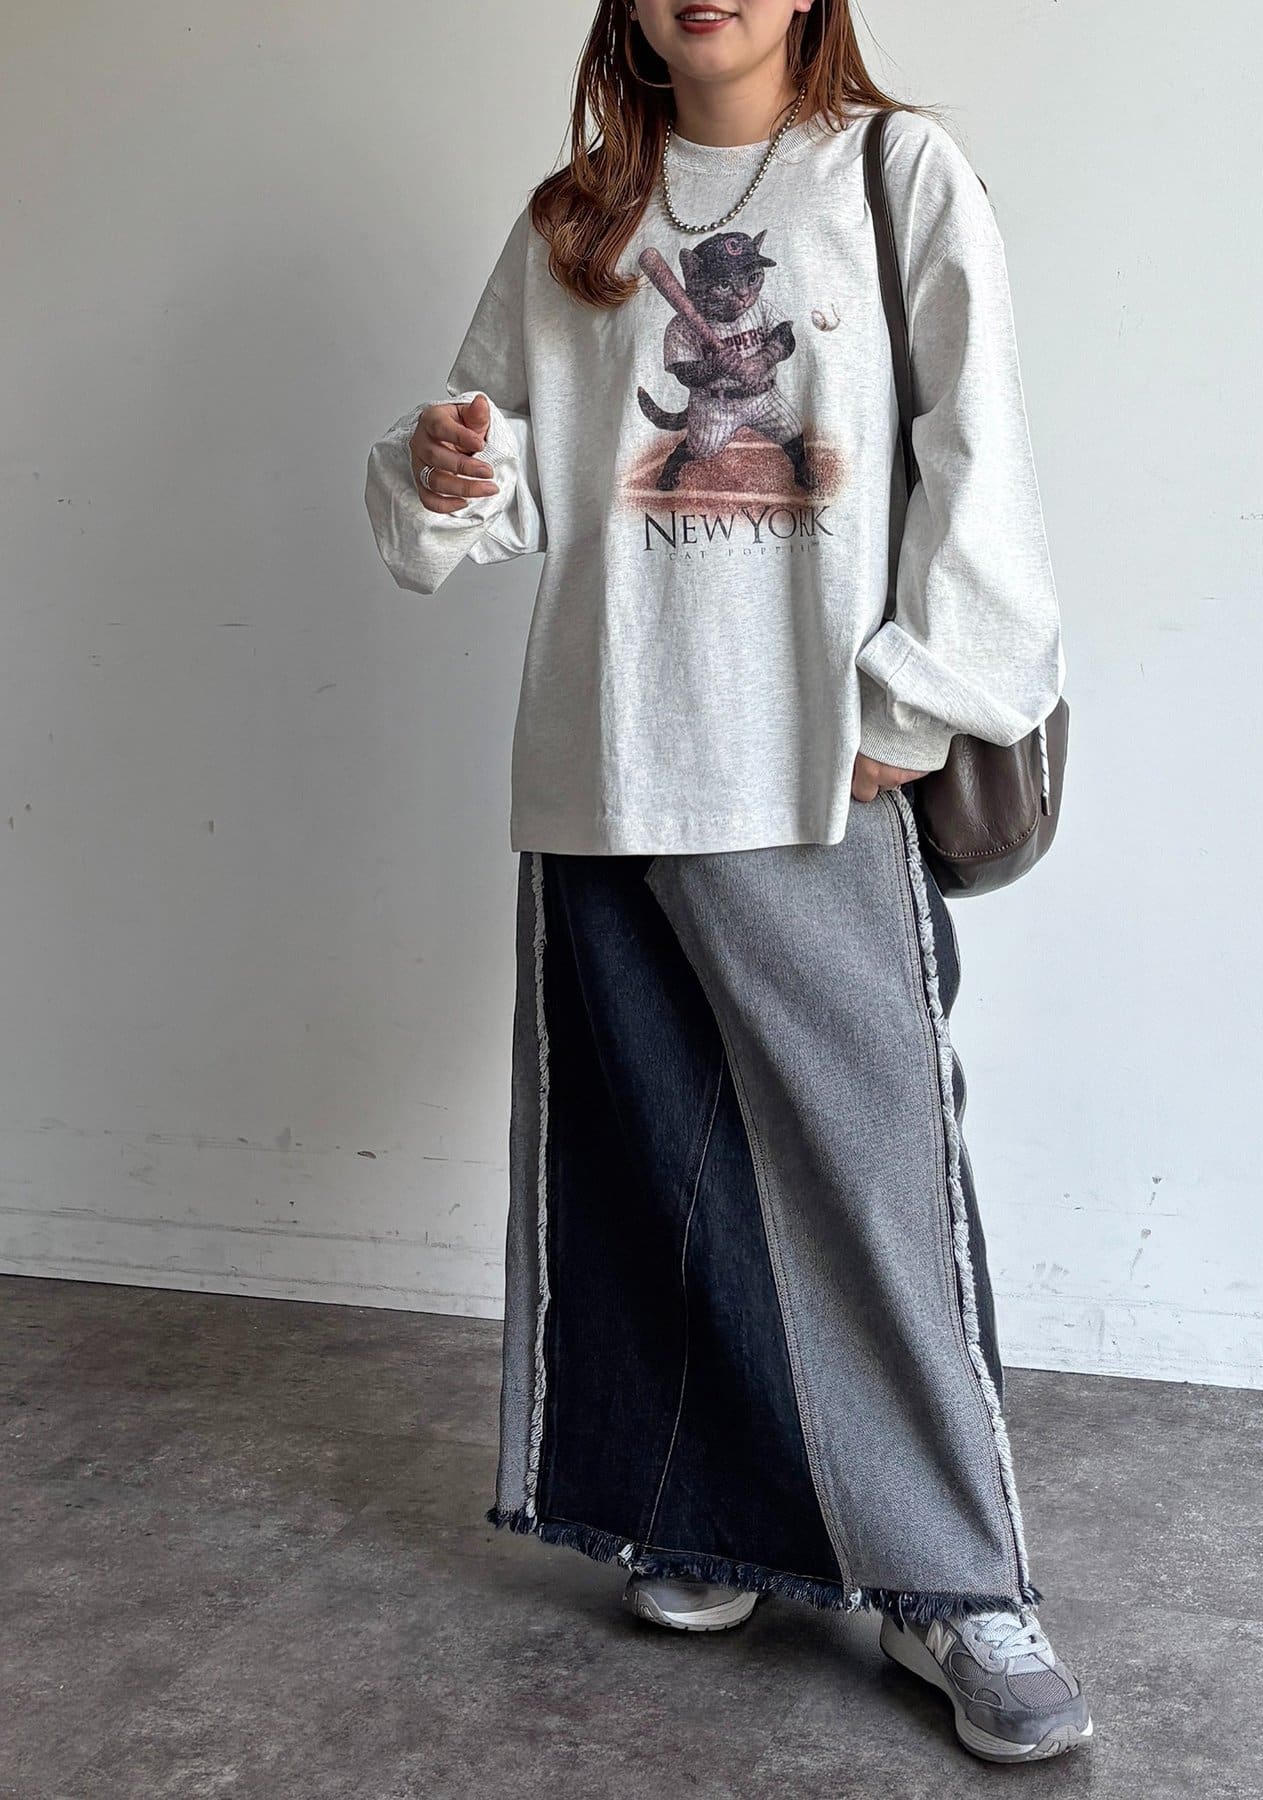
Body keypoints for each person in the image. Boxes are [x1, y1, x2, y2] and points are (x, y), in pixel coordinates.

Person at [364, 0, 1090, 1766]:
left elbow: (981, 454)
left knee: (874, 1177)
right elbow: (490, 472)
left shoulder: (896, 170)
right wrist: (445, 463)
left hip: (811, 766)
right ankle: (709, 1519)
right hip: (607, 757)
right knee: (648, 1172)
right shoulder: (577, 219)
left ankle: (954, 1579)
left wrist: (915, 705)